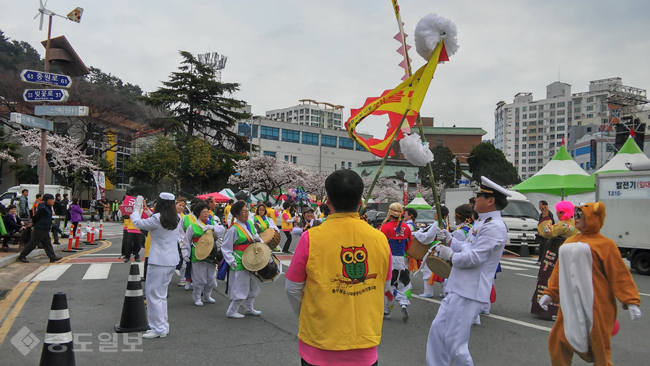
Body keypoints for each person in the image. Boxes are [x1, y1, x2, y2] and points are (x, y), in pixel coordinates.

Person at [285, 169, 391, 366]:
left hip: (319, 343)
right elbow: (384, 285)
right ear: (361, 201)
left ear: (327, 201)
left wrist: (309, 314)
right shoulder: (380, 239)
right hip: (364, 343)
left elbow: (292, 288)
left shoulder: (311, 238)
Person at [539, 202, 642, 365]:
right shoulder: (569, 242)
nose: (576, 218)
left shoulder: (606, 245)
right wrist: (550, 293)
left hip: (597, 307)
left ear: (592, 218)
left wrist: (631, 301)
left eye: (580, 215)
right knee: (558, 341)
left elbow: (619, 275)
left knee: (600, 348)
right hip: (569, 305)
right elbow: (559, 272)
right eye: (575, 214)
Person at [426, 176, 510, 366]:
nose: (475, 200)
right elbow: (465, 247)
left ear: (491, 201)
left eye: (480, 196)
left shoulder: (494, 227)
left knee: (456, 345)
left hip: (470, 291)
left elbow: (474, 259)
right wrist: (449, 239)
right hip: (458, 287)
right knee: (438, 332)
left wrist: (449, 255)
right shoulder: (482, 222)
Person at [130, 192, 181, 339]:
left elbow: (139, 223)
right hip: (171, 261)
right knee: (161, 295)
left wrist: (136, 209)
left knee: (153, 295)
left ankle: (158, 328)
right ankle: (163, 326)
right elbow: (154, 220)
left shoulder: (157, 219)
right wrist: (146, 210)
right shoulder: (176, 218)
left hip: (158, 261)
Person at [531, 200, 580, 320]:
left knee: (550, 279)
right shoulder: (575, 224)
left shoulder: (564, 225)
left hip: (557, 255)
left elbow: (546, 232)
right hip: (570, 255)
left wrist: (545, 217)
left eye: (559, 212)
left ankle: (551, 310)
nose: (557, 214)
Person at [221, 201, 265, 318]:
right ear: (237, 215)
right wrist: (231, 260)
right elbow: (226, 247)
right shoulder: (233, 229)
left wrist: (257, 239)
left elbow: (256, 238)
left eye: (247, 211)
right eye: (243, 212)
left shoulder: (249, 225)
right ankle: (232, 310)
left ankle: (249, 308)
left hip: (251, 258)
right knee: (241, 285)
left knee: (253, 284)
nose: (246, 214)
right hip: (239, 259)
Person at [183, 202, 225, 306]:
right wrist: (185, 253)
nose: (206, 214)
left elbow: (222, 231)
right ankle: (197, 297)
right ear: (198, 213)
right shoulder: (192, 226)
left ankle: (207, 295)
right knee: (199, 278)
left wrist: (212, 228)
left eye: (207, 212)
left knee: (211, 278)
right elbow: (186, 241)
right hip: (198, 253)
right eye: (203, 212)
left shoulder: (211, 223)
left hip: (211, 253)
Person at [380, 202, 412, 322]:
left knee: (388, 284)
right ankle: (403, 303)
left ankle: (387, 309)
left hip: (389, 259)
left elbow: (380, 245)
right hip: (401, 259)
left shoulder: (385, 227)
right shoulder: (406, 227)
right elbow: (409, 245)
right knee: (401, 284)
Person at [16, 194, 62, 263]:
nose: (54, 201)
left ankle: (52, 257)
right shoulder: (43, 208)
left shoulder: (47, 207)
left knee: (47, 244)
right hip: (40, 228)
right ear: (48, 200)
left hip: (45, 228)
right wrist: (33, 223)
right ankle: (21, 256)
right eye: (53, 200)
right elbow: (36, 217)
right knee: (32, 243)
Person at [420, 206, 449, 298]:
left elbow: (428, 236)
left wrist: (418, 234)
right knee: (442, 269)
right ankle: (446, 291)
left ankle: (428, 291)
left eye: (436, 213)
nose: (434, 214)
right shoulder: (444, 223)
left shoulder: (436, 223)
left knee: (428, 268)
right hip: (442, 248)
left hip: (435, 248)